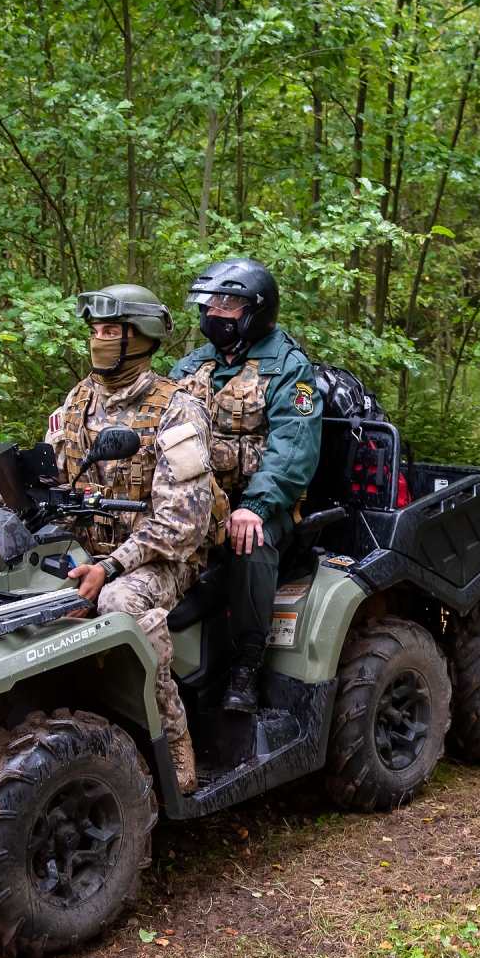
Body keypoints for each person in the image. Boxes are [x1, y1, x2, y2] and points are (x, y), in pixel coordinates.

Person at [46, 283, 218, 795]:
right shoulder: (77, 401)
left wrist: (114, 565)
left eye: (111, 332)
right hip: (89, 547)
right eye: (94, 331)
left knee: (122, 604)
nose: (99, 341)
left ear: (139, 339)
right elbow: (58, 483)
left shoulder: (178, 410)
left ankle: (174, 740)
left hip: (159, 560)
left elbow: (182, 522)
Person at [170, 258, 322, 715]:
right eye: (212, 303)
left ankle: (245, 667)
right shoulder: (192, 365)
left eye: (230, 304)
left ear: (257, 312)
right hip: (197, 499)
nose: (217, 312)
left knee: (248, 544)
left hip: (262, 504)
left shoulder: (288, 367)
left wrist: (256, 504)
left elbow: (294, 446)